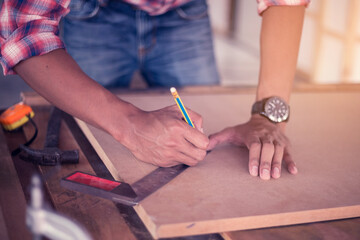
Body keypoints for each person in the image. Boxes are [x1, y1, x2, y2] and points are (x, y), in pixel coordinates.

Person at [0, 0, 309, 180]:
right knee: (89, 143)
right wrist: (128, 125)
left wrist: (268, 116)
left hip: (184, 11)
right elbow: (24, 28)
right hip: (92, 12)